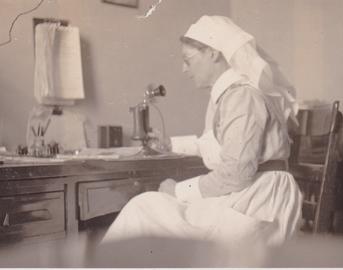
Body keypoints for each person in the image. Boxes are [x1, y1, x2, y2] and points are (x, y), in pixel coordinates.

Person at [101, 15, 303, 260]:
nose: (184, 69)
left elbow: (236, 173)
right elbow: (219, 146)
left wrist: (178, 190)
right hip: (252, 192)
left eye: (188, 60)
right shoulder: (233, 96)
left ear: (213, 54)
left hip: (260, 201)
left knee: (144, 208)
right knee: (148, 209)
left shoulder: (242, 98)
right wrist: (170, 145)